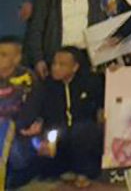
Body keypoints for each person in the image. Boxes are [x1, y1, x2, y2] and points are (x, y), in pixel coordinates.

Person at [9, 47, 103, 187]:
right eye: (54, 63)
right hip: (57, 136)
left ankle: (83, 172)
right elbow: (38, 113)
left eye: (62, 64)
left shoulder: (91, 82)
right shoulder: (46, 86)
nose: (55, 68)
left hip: (83, 136)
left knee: (84, 131)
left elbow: (104, 104)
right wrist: (38, 127)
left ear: (75, 67)